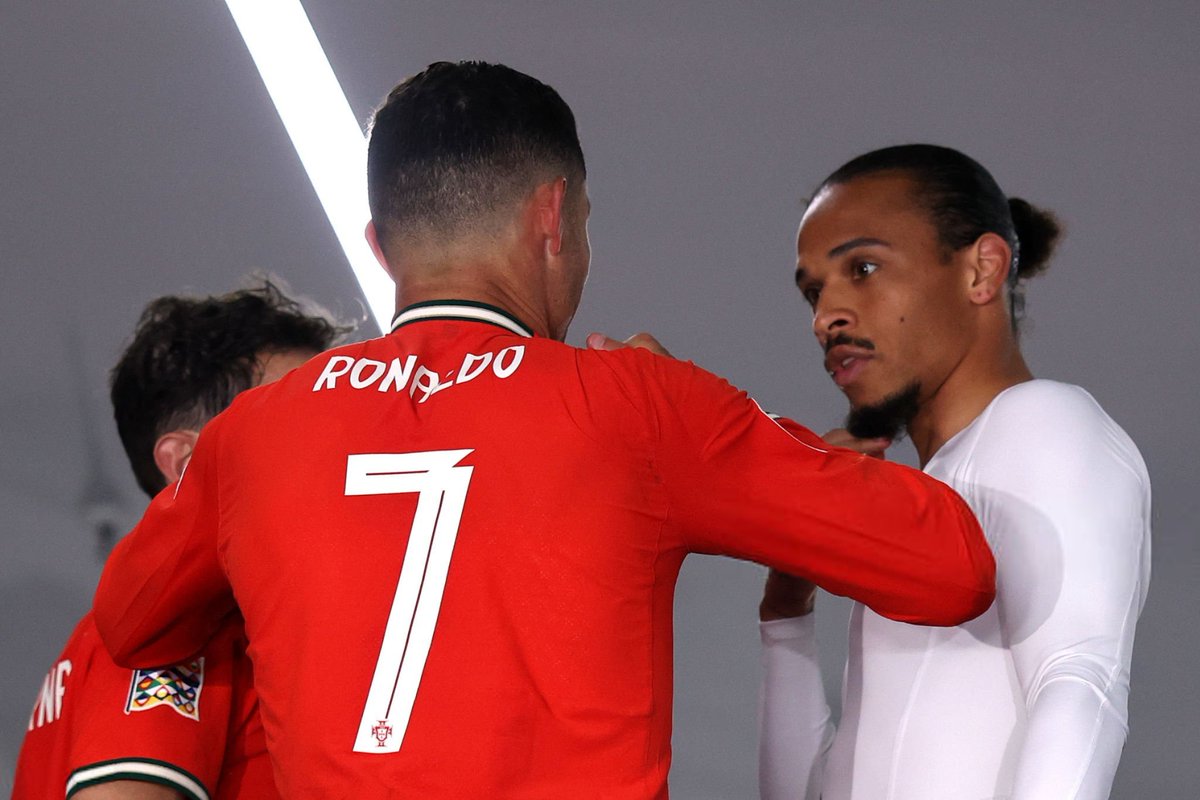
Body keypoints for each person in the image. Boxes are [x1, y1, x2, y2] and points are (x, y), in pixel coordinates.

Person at [90, 63, 995, 799]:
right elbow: (951, 565)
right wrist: (720, 411)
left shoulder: (253, 434)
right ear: (554, 216)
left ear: (378, 243)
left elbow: (130, 622)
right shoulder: (635, 406)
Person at [756, 145, 1152, 799]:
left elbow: (1081, 686)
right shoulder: (931, 498)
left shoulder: (1043, 421)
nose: (826, 318)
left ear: (982, 270)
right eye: (813, 292)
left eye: (864, 268)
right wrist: (786, 615)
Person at [13, 281, 341, 800]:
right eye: (296, 419)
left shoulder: (145, 627)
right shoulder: (178, 630)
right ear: (187, 464)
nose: (341, 443)